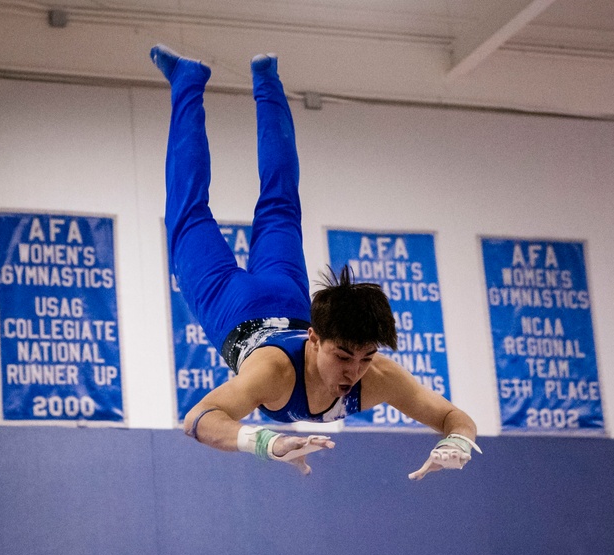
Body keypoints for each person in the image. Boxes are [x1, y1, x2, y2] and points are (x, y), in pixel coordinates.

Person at [150, 44, 480, 479]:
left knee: (279, 203)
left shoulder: (377, 375)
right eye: (343, 355)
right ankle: (200, 82)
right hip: (232, 305)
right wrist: (266, 442)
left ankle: (261, 79)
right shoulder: (273, 373)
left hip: (281, 292)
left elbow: (455, 417)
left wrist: (456, 443)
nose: (354, 371)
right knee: (199, 208)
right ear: (314, 338)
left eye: (365, 357)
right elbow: (198, 419)